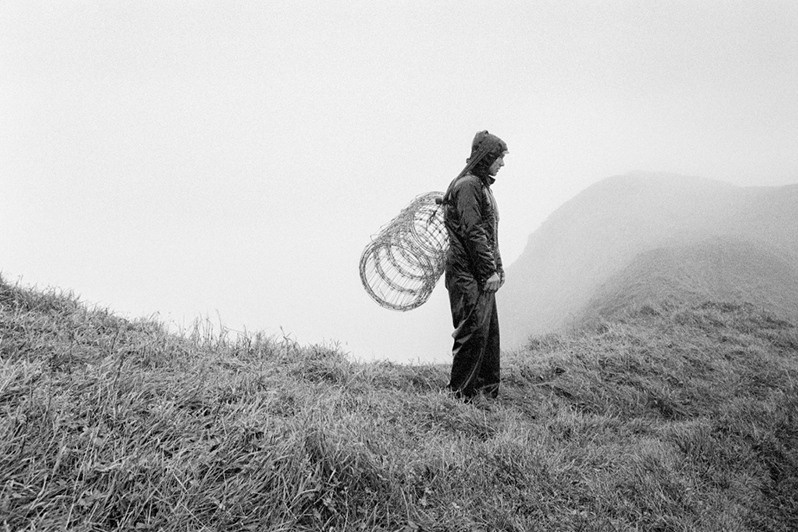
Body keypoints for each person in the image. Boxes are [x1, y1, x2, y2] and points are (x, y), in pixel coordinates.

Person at [441, 130, 508, 400]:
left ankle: (485, 393)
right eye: (500, 157)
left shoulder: (481, 186)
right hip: (465, 272)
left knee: (487, 334)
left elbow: (489, 233)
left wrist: (497, 269)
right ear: (488, 157)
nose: (502, 164)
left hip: (476, 271)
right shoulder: (469, 185)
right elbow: (473, 232)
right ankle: (460, 396)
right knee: (472, 333)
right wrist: (488, 271)